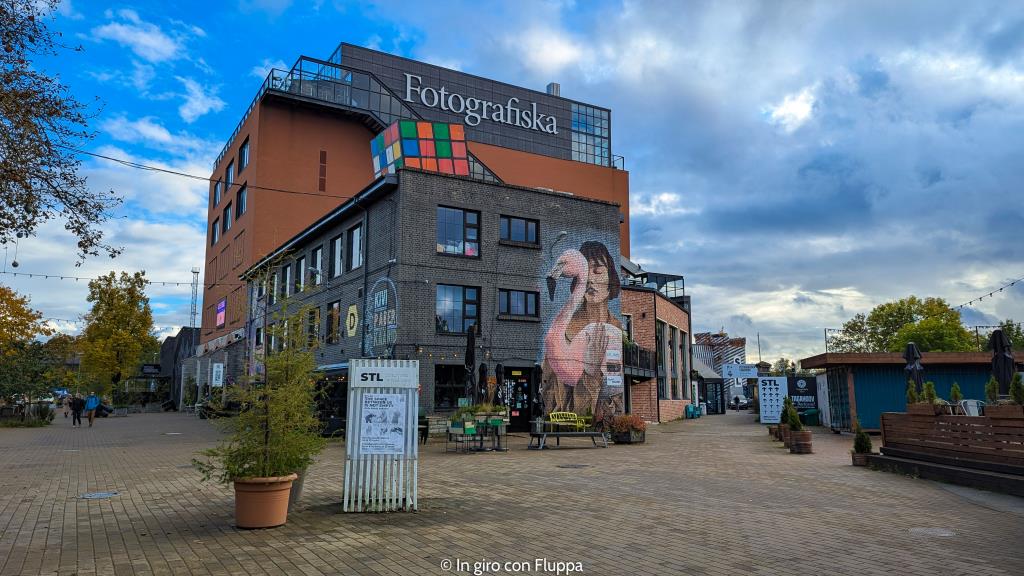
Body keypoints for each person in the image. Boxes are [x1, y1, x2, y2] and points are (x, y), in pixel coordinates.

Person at [542, 241, 623, 421]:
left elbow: (614, 401)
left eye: (598, 270)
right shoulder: (561, 337)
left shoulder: (616, 330)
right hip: (573, 421)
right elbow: (553, 402)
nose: (589, 279)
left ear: (611, 277)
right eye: (585, 271)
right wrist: (590, 373)